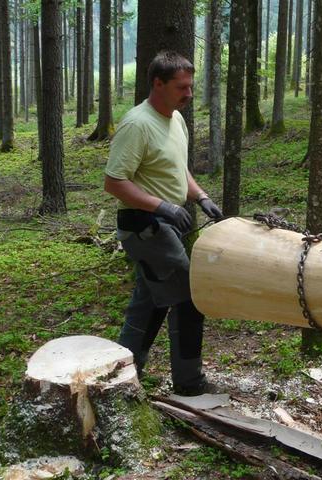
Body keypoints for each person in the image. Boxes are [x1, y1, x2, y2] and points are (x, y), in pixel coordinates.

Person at [104, 51, 223, 395]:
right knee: (189, 297)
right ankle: (189, 383)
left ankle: (122, 373)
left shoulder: (175, 119)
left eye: (190, 87)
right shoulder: (137, 124)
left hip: (162, 225)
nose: (188, 94)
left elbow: (177, 168)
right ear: (158, 83)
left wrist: (200, 196)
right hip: (145, 226)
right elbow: (114, 182)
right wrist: (163, 207)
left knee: (151, 301)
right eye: (181, 87)